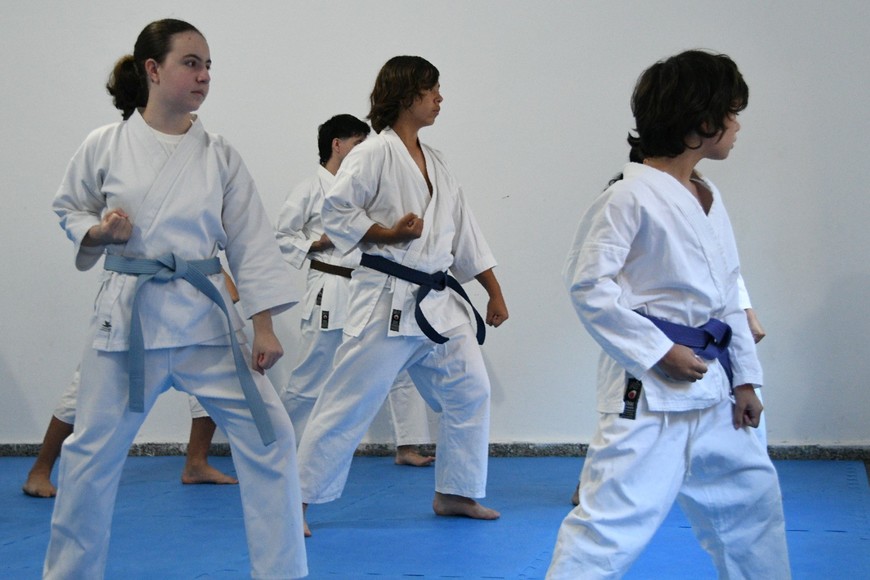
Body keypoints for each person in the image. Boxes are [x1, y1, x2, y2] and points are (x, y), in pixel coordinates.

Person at [43, 19, 307, 579]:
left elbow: (251, 240)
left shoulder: (219, 155)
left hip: (206, 323)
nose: (204, 76)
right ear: (153, 69)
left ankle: (282, 573)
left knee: (273, 440)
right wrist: (99, 232)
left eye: (208, 66)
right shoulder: (105, 144)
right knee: (89, 458)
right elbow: (70, 207)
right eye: (191, 63)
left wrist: (263, 325)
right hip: (128, 323)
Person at [549, 50, 790, 578]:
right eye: (732, 112)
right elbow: (588, 286)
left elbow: (729, 294)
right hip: (651, 389)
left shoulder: (706, 195)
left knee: (753, 512)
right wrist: (659, 351)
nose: (737, 125)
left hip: (717, 389)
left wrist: (747, 380)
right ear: (701, 121)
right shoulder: (626, 197)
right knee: (612, 525)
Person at [296, 56, 508, 536]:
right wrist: (388, 235)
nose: (439, 98)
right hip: (386, 301)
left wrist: (493, 290)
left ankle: (455, 492)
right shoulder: (373, 153)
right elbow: (336, 211)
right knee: (348, 401)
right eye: (432, 89)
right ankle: (298, 501)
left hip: (438, 302)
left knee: (470, 389)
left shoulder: (436, 161)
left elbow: (464, 233)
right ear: (406, 94)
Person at [276, 114, 435, 467]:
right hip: (330, 288)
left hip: (371, 285)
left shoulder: (367, 185)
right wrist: (318, 243)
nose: (365, 150)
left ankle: (408, 445)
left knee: (396, 364)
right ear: (337, 144)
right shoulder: (307, 189)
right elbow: (282, 236)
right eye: (358, 143)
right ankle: (278, 444)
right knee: (311, 371)